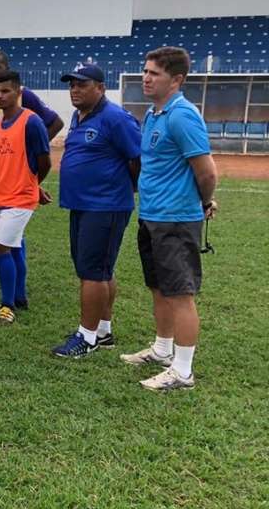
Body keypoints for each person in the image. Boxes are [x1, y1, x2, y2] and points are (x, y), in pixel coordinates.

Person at [121, 47, 217, 391]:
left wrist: (203, 202)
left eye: (154, 73)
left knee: (180, 293)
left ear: (176, 79)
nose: (146, 78)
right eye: (145, 71)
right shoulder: (153, 114)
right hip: (152, 216)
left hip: (176, 219)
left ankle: (183, 371)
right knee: (158, 286)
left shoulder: (182, 115)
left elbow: (206, 172)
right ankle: (162, 350)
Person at [51, 64, 141, 358]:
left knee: (93, 272)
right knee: (99, 270)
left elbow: (137, 159)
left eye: (82, 84)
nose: (75, 90)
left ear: (100, 87)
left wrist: (122, 189)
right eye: (72, 85)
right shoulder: (79, 116)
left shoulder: (116, 118)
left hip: (106, 206)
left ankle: (86, 338)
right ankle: (102, 331)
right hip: (83, 205)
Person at [0, 50, 63, 290]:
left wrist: (27, 154)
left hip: (14, 180)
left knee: (11, 234)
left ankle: (17, 286)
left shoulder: (20, 94)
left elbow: (55, 122)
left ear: (6, 69)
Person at [0, 70, 52, 324]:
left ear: (19, 92)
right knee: (13, 247)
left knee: (0, 247)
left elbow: (44, 161)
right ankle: (20, 296)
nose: (1, 96)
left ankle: (7, 304)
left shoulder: (31, 122)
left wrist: (33, 185)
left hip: (21, 197)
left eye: (6, 91)